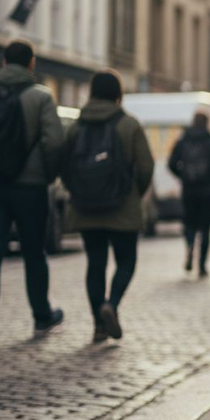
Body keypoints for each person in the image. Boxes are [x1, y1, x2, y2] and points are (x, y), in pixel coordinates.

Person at [0, 40, 65, 348]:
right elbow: (53, 142)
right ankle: (41, 313)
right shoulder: (40, 97)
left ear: (2, 64)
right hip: (30, 188)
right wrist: (47, 175)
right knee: (34, 252)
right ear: (31, 64)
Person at [62, 70, 154, 342]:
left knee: (95, 263)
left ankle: (98, 326)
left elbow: (63, 164)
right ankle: (111, 304)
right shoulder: (129, 125)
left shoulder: (76, 126)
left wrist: (77, 190)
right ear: (118, 94)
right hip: (121, 207)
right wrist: (134, 192)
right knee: (126, 261)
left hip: (86, 207)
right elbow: (146, 165)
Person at [169, 111, 210, 277]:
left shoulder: (183, 140)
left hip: (189, 190)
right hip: (208, 191)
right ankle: (202, 265)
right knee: (205, 228)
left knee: (189, 224)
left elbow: (171, 163)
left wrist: (183, 176)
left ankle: (190, 247)